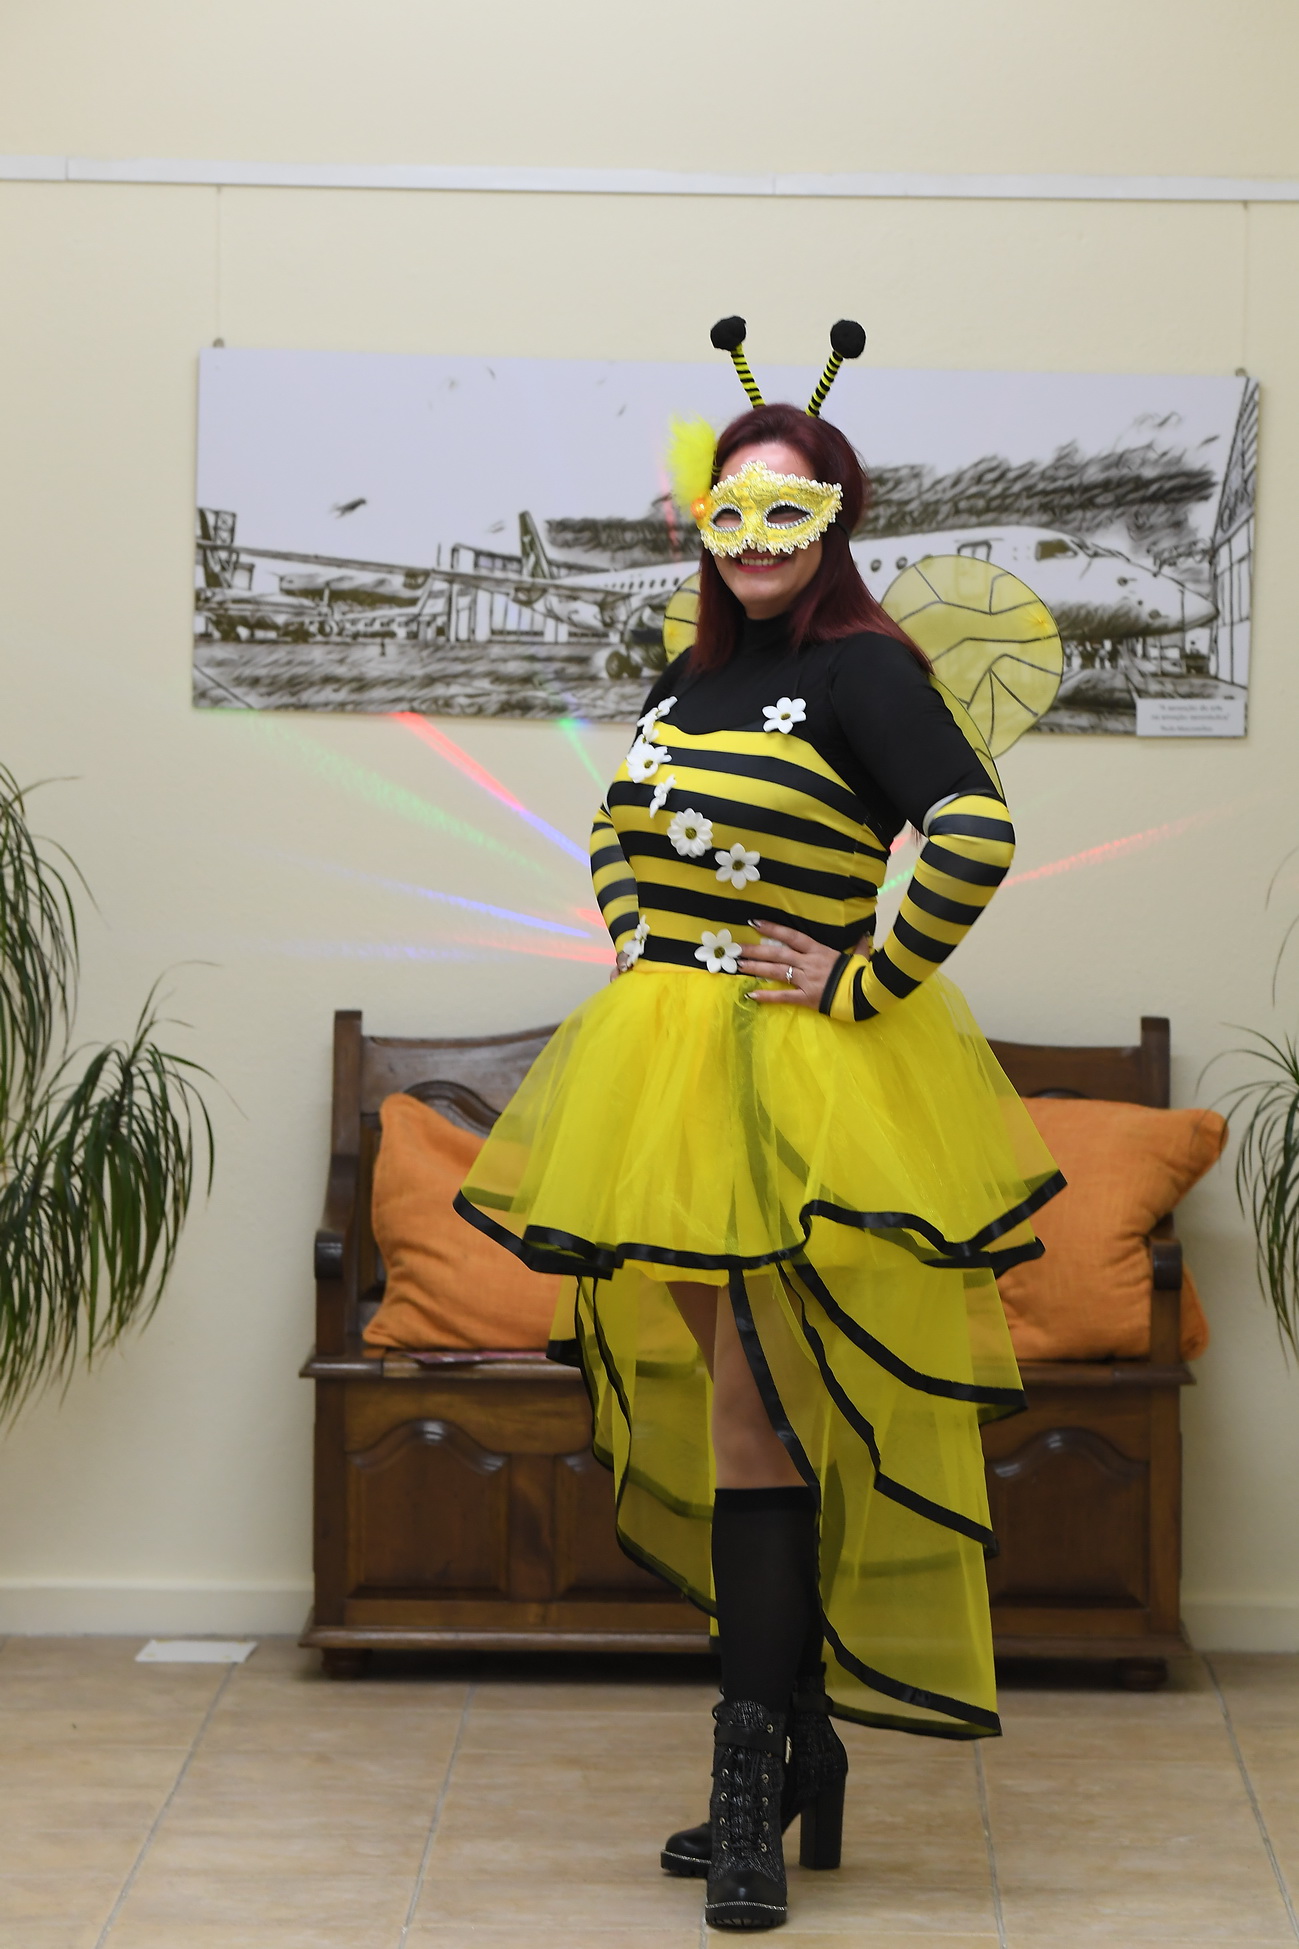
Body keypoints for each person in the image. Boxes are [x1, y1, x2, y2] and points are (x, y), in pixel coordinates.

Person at [457, 319, 1062, 1932]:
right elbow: (616, 827)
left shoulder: (866, 670)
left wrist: (863, 976)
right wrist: (643, 948)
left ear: (836, 521)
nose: (757, 535)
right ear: (701, 524)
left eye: (789, 508)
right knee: (752, 1415)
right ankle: (800, 1745)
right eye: (732, 509)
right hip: (669, 1087)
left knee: (756, 1423)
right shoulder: (693, 675)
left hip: (804, 1090)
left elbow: (975, 829)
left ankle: (750, 1799)